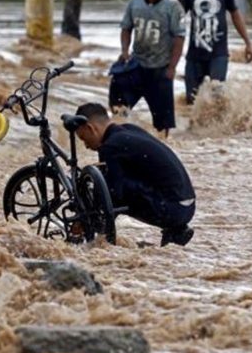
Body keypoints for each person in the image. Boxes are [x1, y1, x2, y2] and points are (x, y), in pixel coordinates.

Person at [74, 102, 196, 247]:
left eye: (83, 138)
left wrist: (87, 219)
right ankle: (177, 231)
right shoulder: (128, 130)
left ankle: (100, 242)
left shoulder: (110, 147)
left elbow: (113, 194)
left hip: (172, 209)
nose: (86, 146)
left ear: (91, 128)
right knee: (116, 185)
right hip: (188, 204)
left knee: (109, 190)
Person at [110, 0, 185, 137]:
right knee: (119, 99)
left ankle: (163, 143)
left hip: (160, 68)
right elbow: (126, 28)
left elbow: (179, 38)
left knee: (163, 121)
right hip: (137, 64)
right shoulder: (135, 1)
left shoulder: (173, 6)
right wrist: (125, 51)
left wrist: (172, 67)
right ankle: (121, 135)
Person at [178, 0, 252, 104]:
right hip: (195, 55)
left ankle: (216, 127)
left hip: (218, 54)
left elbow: (235, 15)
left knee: (217, 96)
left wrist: (248, 43)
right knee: (190, 101)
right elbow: (177, 20)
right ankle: (193, 129)